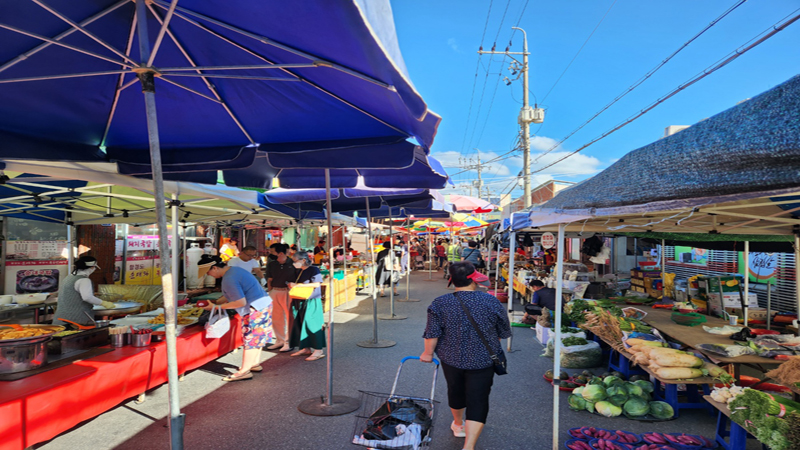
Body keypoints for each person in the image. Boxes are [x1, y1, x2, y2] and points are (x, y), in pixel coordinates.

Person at [420, 262, 511, 450]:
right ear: (473, 279)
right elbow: (503, 332)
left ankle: (458, 424)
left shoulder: (440, 302)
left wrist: (428, 353)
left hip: (451, 358)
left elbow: (432, 333)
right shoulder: (491, 301)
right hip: (483, 360)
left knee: (456, 390)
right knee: (478, 399)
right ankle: (468, 447)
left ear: (452, 280)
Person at [199, 255, 272, 382]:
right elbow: (232, 294)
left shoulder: (229, 278)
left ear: (215, 268)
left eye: (208, 272)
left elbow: (240, 302)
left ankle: (244, 371)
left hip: (254, 308)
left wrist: (217, 307)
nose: (209, 276)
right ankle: (253, 364)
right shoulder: (234, 270)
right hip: (263, 304)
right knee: (257, 337)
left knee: (251, 339)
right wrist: (217, 302)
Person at [52, 256, 116, 326]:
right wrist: (104, 303)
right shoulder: (84, 280)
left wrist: (93, 294)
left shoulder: (69, 277)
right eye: (94, 267)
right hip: (76, 321)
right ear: (92, 267)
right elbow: (87, 297)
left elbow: (73, 293)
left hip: (61, 319)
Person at [287, 251, 325, 361]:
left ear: (303, 260)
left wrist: (298, 285)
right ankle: (305, 347)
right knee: (299, 323)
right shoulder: (299, 271)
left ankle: (318, 349)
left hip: (311, 299)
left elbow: (317, 284)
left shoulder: (314, 269)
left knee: (312, 324)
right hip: (299, 299)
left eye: (295, 261)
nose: (294, 264)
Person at [265, 244, 296, 352]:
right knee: (276, 317)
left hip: (288, 291)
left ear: (281, 253)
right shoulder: (272, 264)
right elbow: (269, 279)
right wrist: (270, 291)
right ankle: (280, 340)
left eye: (272, 252)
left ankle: (289, 342)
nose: (270, 254)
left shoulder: (293, 263)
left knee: (289, 317)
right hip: (275, 291)